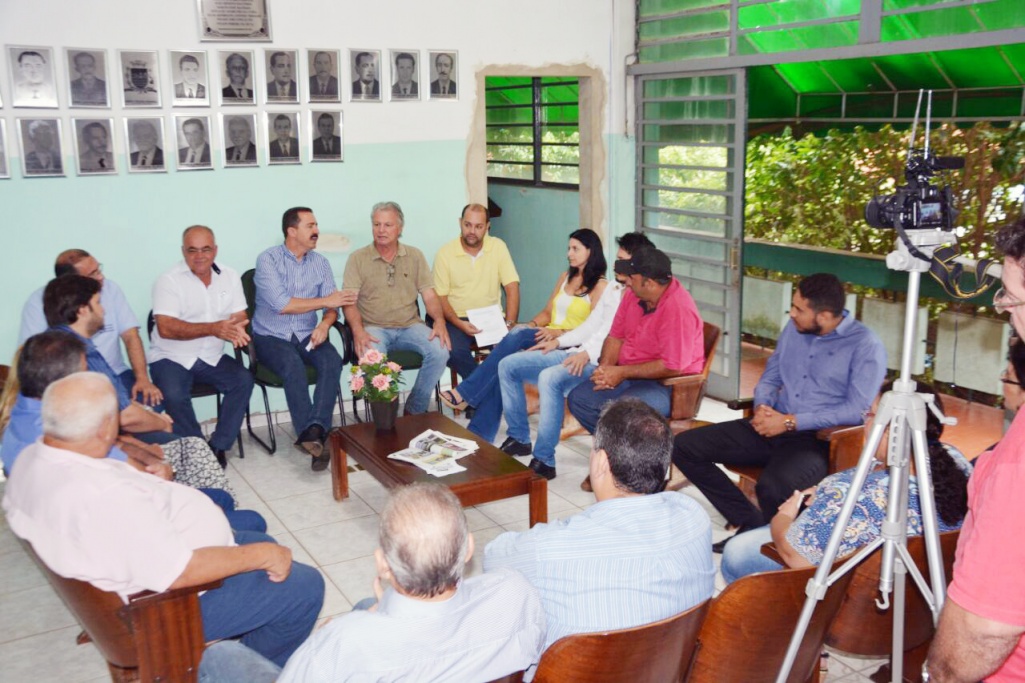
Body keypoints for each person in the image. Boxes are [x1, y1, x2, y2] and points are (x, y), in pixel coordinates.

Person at [2, 372, 324, 668]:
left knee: (261, 540)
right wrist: (261, 556)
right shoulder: (103, 496)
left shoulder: (33, 457)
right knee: (303, 585)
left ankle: (234, 650)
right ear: (104, 429)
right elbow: (178, 572)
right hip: (162, 606)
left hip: (150, 568)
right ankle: (234, 671)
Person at [484, 399, 714, 669]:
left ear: (601, 462)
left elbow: (492, 559)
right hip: (665, 669)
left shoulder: (551, 547)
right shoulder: (694, 517)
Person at [673, 272, 885, 551]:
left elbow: (855, 410)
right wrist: (763, 408)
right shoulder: (795, 328)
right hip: (770, 423)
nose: (792, 313)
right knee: (685, 447)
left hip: (815, 439)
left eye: (799, 309)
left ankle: (775, 548)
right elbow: (772, 375)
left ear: (823, 316)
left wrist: (790, 422)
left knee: (773, 488)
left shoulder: (865, 345)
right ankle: (750, 522)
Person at [278, 483, 546, 682]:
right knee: (366, 605)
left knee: (233, 656)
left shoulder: (341, 642)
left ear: (383, 565)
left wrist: (341, 630)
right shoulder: (516, 593)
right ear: (468, 549)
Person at [0, 331, 261, 532]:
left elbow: (113, 446)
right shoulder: (54, 433)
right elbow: (126, 481)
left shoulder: (35, 417)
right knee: (251, 520)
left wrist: (146, 452)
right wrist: (158, 474)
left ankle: (219, 517)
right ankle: (223, 530)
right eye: (83, 369)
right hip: (136, 521)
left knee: (212, 482)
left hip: (126, 503)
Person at [720, 381, 970, 583]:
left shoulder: (856, 496)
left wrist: (782, 517)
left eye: (870, 414)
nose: (865, 421)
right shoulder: (956, 461)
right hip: (918, 588)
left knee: (736, 552)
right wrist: (826, 493)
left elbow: (795, 557)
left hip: (848, 593)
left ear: (890, 429)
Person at [927, 217, 1025, 682]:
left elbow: (982, 634)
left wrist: (936, 674)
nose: (1004, 307)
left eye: (1011, 295)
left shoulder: (1017, 468)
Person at [498, 232, 655, 480]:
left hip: (599, 363)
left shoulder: (642, 296)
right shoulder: (614, 290)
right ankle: (519, 438)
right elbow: (591, 327)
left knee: (550, 378)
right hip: (579, 353)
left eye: (623, 260)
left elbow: (614, 338)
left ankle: (544, 460)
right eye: (617, 260)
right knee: (508, 365)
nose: (617, 266)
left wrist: (586, 353)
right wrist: (557, 342)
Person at [440, 228, 607, 444]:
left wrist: (559, 334)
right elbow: (547, 313)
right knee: (515, 337)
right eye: (569, 248)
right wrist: (530, 325)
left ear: (591, 251)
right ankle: (476, 426)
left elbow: (592, 331)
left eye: (575, 249)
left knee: (506, 364)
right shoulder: (565, 277)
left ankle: (472, 412)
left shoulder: (601, 286)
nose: (569, 254)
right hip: (547, 334)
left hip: (569, 344)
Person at [566, 247, 704, 455]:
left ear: (648, 282)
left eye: (632, 277)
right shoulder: (633, 294)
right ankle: (616, 457)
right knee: (581, 399)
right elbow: (615, 336)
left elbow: (672, 366)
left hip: (668, 386)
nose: (627, 282)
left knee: (621, 413)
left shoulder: (678, 309)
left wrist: (621, 373)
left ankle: (620, 462)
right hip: (630, 374)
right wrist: (606, 371)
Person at [253, 207, 355, 470]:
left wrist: (325, 323)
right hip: (270, 335)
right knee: (292, 366)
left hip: (309, 333)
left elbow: (332, 307)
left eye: (316, 225)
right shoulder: (268, 260)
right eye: (310, 226)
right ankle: (313, 438)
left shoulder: (320, 263)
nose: (316, 231)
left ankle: (314, 431)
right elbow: (281, 304)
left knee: (331, 360)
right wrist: (325, 302)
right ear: (292, 231)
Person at [148, 226, 254, 468]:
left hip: (211, 356)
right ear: (183, 252)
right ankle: (197, 450)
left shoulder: (229, 275)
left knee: (243, 380)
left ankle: (219, 445)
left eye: (206, 249)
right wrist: (215, 328)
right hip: (170, 356)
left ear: (215, 250)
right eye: (192, 250)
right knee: (174, 395)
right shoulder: (169, 280)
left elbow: (239, 313)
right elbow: (166, 328)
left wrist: (236, 327)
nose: (199, 256)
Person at [342, 201, 451, 415]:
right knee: (373, 356)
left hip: (410, 325)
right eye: (377, 225)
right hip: (373, 328)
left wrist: (439, 321)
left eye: (388, 225)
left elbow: (429, 294)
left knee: (441, 349)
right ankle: (386, 418)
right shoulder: (358, 258)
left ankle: (415, 409)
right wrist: (357, 331)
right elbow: (349, 301)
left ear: (399, 228)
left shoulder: (415, 255)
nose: (381, 230)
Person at [19, 248, 162, 406]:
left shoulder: (110, 289)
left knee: (152, 404)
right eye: (92, 274)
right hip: (72, 385)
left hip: (116, 374)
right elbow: (31, 355)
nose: (101, 277)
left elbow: (130, 335)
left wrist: (142, 379)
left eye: (98, 269)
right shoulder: (38, 303)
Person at [44, 274, 175, 444]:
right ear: (83, 310)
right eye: (98, 303)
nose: (103, 310)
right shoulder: (83, 354)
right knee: (187, 446)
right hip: (82, 444)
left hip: (72, 438)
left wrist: (150, 416)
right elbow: (124, 416)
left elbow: (120, 404)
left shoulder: (51, 341)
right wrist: (161, 423)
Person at [431, 203, 520, 381]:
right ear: (460, 223)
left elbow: (512, 288)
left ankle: (476, 396)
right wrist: (458, 322)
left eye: (479, 226)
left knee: (509, 348)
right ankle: (483, 395)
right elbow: (440, 297)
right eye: (467, 225)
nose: (472, 231)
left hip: (490, 316)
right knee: (452, 350)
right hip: (456, 318)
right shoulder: (445, 253)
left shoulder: (498, 247)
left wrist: (509, 324)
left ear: (487, 226)